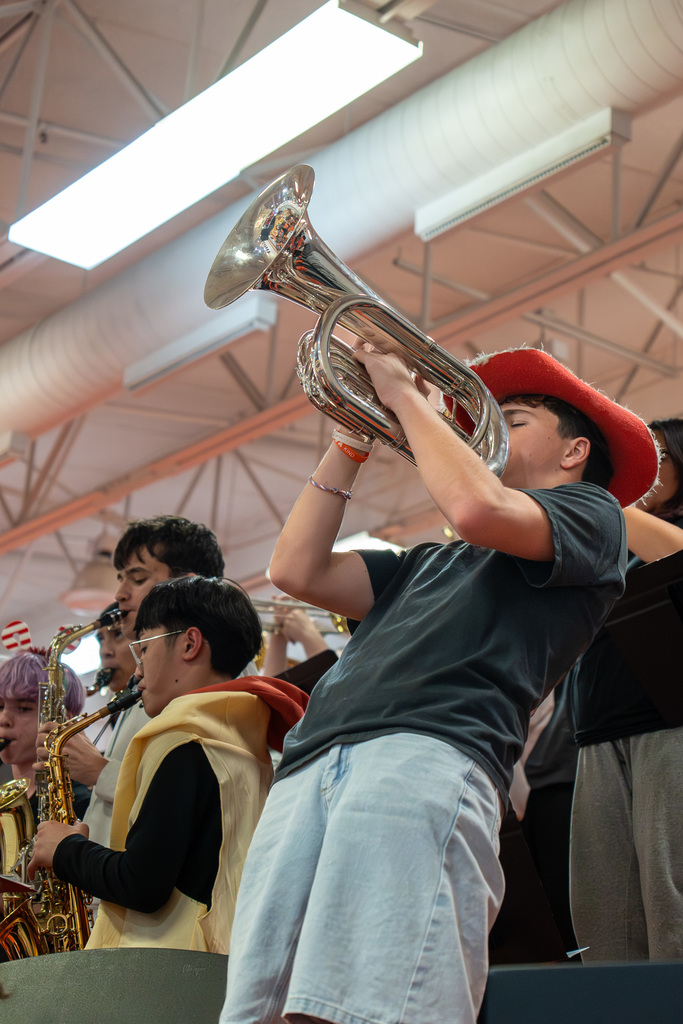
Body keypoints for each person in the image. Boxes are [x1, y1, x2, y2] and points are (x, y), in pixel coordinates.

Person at [218, 346, 658, 1024]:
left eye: (512, 418)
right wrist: (349, 437)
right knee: (270, 1008)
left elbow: (479, 509)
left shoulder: (590, 515)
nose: (486, 428)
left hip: (425, 752)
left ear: (573, 454)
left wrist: (407, 399)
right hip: (313, 762)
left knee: (379, 1004)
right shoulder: (429, 560)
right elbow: (295, 569)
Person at [28, 575, 307, 953]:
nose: (137, 670)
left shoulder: (183, 741)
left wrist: (66, 848)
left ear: (190, 643)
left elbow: (142, 884)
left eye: (143, 649)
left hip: (166, 969)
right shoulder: (244, 742)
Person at [40, 515, 226, 848]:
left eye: (137, 578)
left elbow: (206, 793)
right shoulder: (146, 674)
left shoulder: (215, 672)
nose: (120, 594)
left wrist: (98, 771)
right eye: (121, 578)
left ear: (189, 584)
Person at [569, 417, 683, 961]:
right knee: (602, 916)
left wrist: (598, 499)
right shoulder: (615, 540)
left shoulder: (640, 526)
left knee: (672, 901)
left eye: (658, 452)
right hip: (595, 728)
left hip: (671, 722)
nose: (647, 464)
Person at [0, 648, 88, 824]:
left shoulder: (81, 804)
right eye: (0, 707)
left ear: (61, 719)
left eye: (24, 708)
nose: (4, 719)